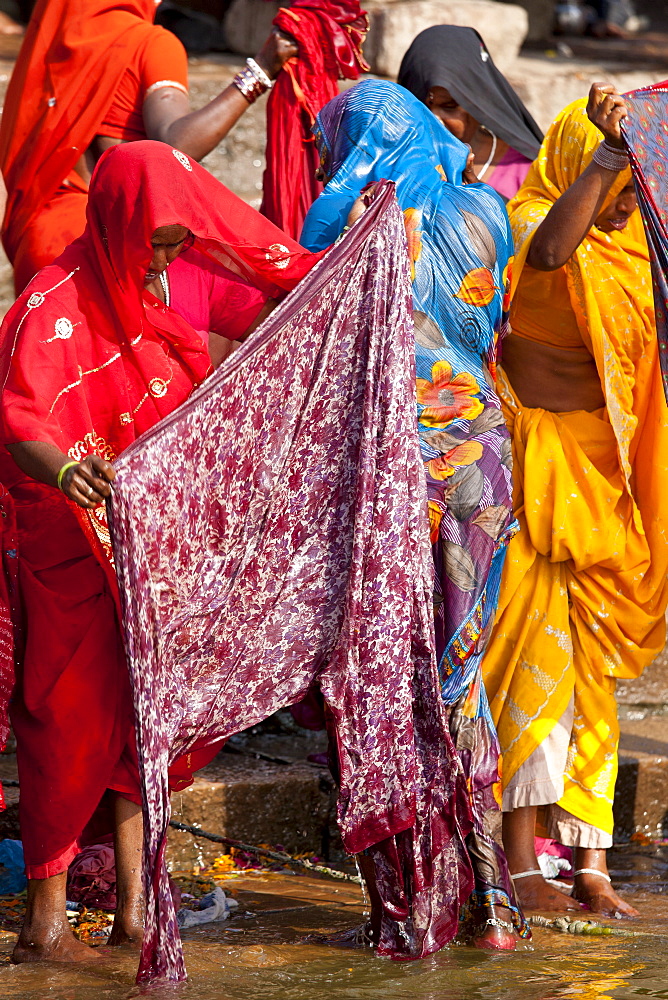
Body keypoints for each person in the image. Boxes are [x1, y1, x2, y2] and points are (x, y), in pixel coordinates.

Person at [0, 139, 320, 964]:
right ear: (115, 225)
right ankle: (45, 922)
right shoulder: (52, 304)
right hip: (67, 549)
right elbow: (24, 418)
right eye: (159, 245)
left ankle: (139, 911)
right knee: (67, 726)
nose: (169, 261)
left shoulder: (156, 301)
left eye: (179, 244)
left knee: (147, 725)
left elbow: (271, 310)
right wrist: (68, 469)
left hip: (153, 556)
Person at [301, 78, 528, 949]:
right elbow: (487, 318)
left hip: (394, 470)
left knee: (379, 686)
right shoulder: (483, 208)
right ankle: (495, 910)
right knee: (459, 680)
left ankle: (403, 913)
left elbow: (303, 331)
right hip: (483, 462)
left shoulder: (353, 227)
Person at [481, 84, 668, 917]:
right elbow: (555, 253)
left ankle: (590, 858)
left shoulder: (637, 252)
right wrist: (607, 159)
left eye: (637, 195)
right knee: (529, 664)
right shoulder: (529, 227)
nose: (627, 209)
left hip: (610, 479)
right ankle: (520, 860)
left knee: (594, 678)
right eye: (620, 194)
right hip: (539, 470)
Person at [0, 0, 297, 293]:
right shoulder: (149, 43)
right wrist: (260, 70)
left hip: (40, 241)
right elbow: (176, 143)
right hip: (104, 242)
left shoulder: (43, 49)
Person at [398, 25, 543, 202]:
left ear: (477, 102)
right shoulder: (389, 160)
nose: (434, 120)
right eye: (420, 106)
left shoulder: (526, 171)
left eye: (449, 106)